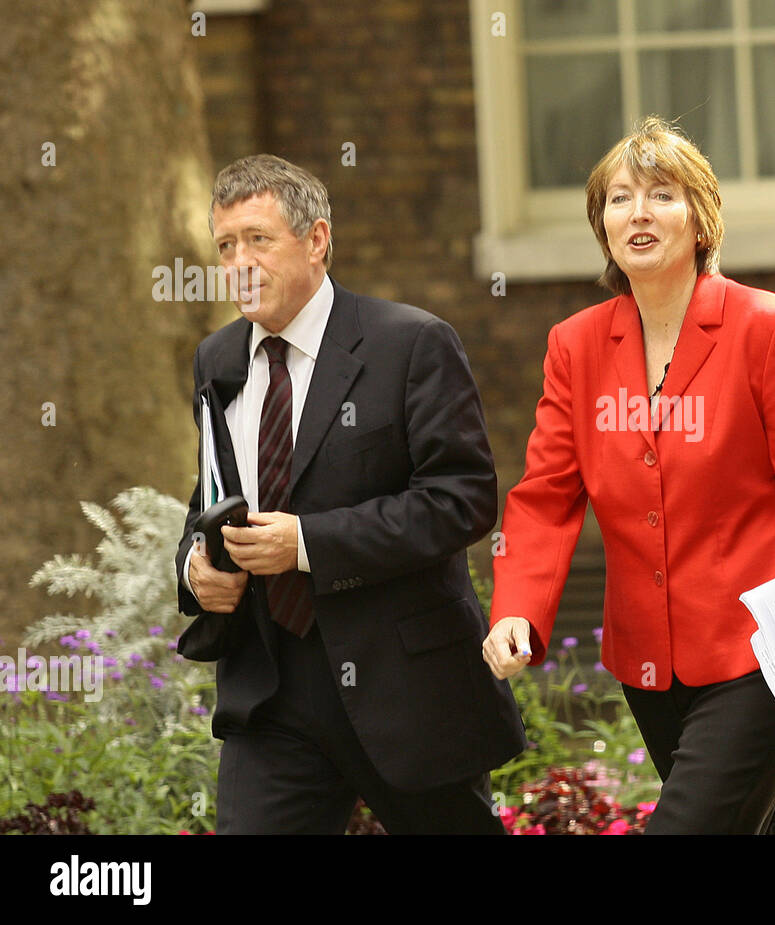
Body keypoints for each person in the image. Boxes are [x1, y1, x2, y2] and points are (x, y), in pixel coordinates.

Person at [482, 117, 775, 834]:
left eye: (661, 194)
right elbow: (546, 495)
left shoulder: (768, 327)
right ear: (602, 225)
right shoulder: (575, 346)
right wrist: (517, 605)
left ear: (701, 221)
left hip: (760, 653)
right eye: (619, 198)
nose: (637, 212)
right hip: (648, 661)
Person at [174, 154, 525, 834]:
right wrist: (196, 566)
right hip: (269, 694)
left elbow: (463, 499)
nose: (239, 260)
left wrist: (306, 544)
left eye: (257, 239)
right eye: (225, 245)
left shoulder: (411, 344)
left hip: (406, 689)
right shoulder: (216, 360)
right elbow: (208, 498)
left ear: (317, 240)